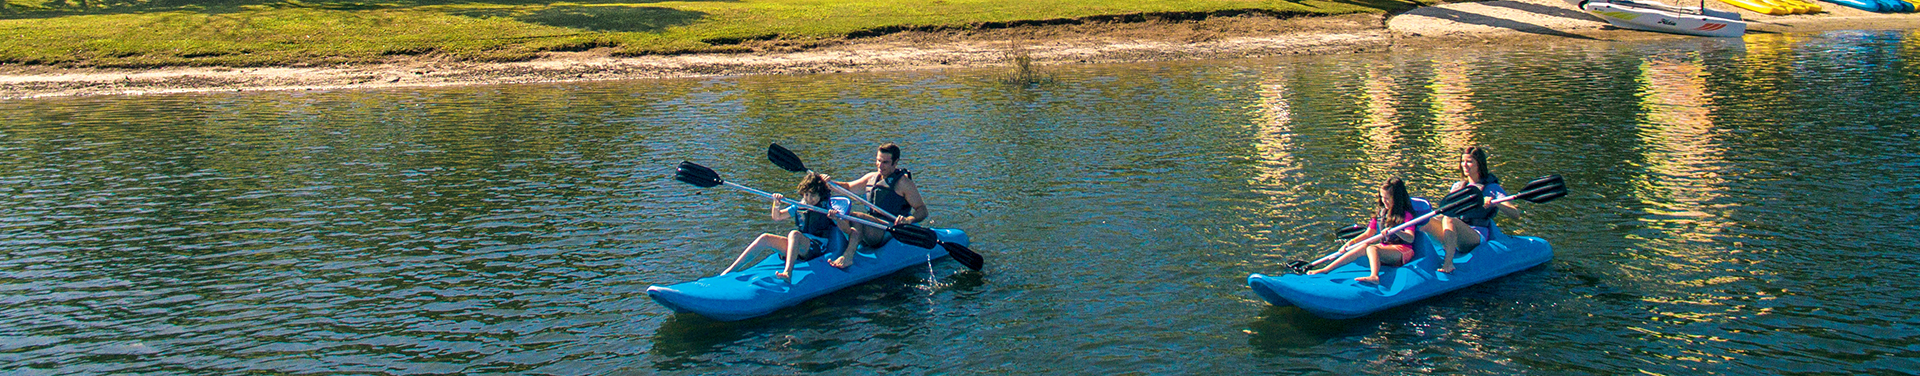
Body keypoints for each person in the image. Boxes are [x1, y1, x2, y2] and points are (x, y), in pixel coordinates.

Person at [723, 172, 855, 280]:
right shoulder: (799, 206)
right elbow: (777, 217)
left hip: (816, 247)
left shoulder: (826, 208)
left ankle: (788, 272)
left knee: (794, 234)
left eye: (813, 195)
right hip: (800, 245)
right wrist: (777, 203)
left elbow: (847, 230)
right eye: (807, 195)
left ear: (821, 195)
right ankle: (731, 270)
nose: (809, 199)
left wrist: (836, 218)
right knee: (765, 238)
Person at [827, 142, 929, 269]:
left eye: (885, 162)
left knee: (858, 217)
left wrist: (909, 219)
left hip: (891, 229)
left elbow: (922, 210)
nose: (880, 165)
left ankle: (848, 256)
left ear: (895, 162)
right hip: (874, 227)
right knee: (844, 218)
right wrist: (828, 182)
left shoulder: (904, 183)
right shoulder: (871, 178)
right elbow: (848, 187)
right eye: (878, 160)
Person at [1426, 146, 1523, 274]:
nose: (1465, 165)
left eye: (1469, 161)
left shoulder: (1492, 188)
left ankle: (1448, 263)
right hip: (1454, 231)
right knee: (1424, 221)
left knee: (1449, 218)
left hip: (1475, 235)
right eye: (1462, 161)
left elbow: (1515, 214)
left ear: (1479, 164)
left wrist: (1496, 203)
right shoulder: (1457, 187)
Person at [1308, 178, 1420, 284]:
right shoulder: (1381, 213)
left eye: (1387, 198)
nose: (1384, 201)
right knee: (1363, 246)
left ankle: (1374, 277)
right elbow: (1368, 234)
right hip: (1386, 248)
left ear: (1397, 197)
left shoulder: (1406, 215)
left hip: (1402, 251)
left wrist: (1397, 231)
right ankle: (1326, 269)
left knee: (1372, 248)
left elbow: (1410, 238)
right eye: (1382, 197)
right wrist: (1350, 243)